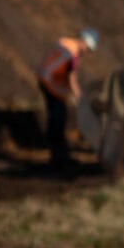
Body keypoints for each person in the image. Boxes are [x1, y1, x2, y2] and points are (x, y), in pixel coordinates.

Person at [36, 28, 99, 170]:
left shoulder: (64, 43)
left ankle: (58, 156)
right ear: (85, 42)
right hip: (53, 86)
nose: (87, 52)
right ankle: (59, 158)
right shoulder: (73, 52)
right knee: (58, 119)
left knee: (56, 118)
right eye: (88, 49)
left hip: (45, 80)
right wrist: (80, 98)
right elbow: (71, 78)